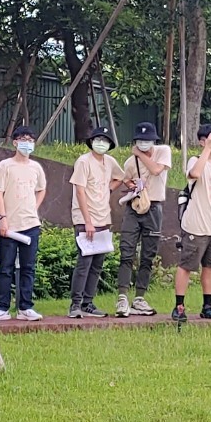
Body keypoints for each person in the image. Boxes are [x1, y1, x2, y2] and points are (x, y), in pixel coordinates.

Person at [172, 123, 211, 324]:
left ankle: (208, 306)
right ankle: (179, 306)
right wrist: (207, 150)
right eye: (210, 138)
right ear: (201, 141)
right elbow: (194, 174)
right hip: (196, 225)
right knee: (186, 265)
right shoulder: (195, 160)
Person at [0, 126, 47, 322]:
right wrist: (2, 218)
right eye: (23, 139)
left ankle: (25, 307)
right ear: (15, 143)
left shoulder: (36, 167)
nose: (27, 143)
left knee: (28, 268)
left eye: (30, 140)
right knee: (6, 267)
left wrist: (34, 207)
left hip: (31, 224)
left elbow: (42, 189)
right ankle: (2, 307)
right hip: (10, 225)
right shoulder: (5, 165)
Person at [115, 121, 170, 317]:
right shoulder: (130, 162)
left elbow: (156, 170)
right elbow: (125, 178)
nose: (143, 143)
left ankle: (139, 298)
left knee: (148, 255)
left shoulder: (163, 151)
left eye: (147, 140)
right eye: (140, 141)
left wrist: (139, 154)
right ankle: (122, 297)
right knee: (126, 251)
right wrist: (132, 185)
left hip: (154, 207)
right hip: (135, 206)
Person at [68, 125, 124, 318]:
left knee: (97, 263)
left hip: (103, 217)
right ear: (91, 142)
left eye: (105, 141)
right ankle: (75, 304)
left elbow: (120, 177)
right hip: (85, 218)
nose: (101, 143)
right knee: (84, 262)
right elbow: (80, 191)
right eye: (98, 140)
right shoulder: (83, 162)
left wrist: (109, 188)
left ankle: (88, 302)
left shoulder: (110, 162)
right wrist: (87, 221)